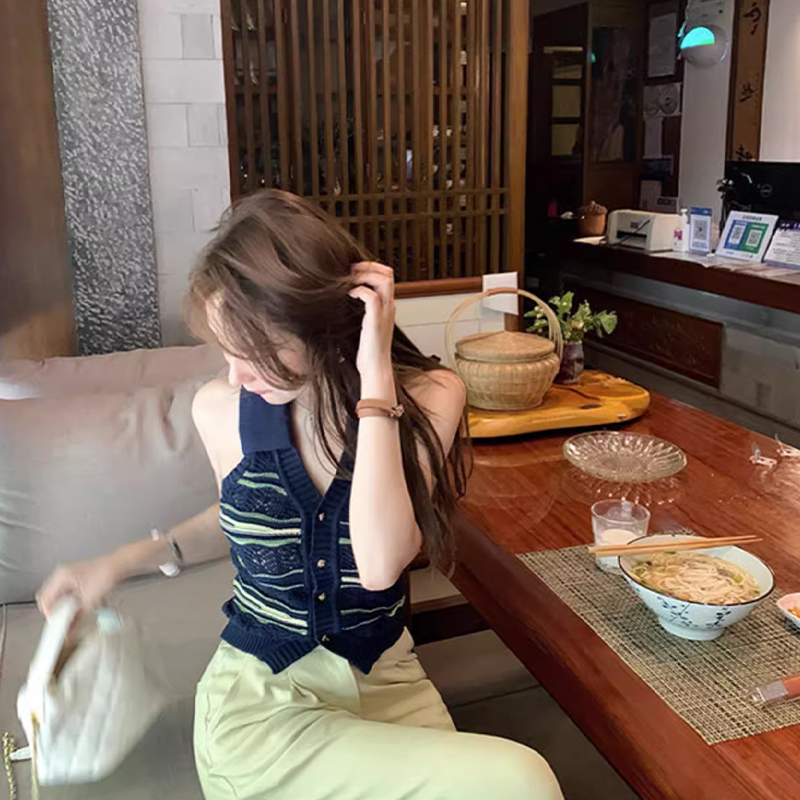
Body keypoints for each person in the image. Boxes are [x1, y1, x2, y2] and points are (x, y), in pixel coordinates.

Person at [37, 190, 563, 800]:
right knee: (522, 780)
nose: (235, 374)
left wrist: (375, 377)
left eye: (254, 353)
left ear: (319, 324)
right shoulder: (220, 409)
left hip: (389, 684)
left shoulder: (431, 395)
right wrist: (122, 560)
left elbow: (379, 562)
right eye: (226, 351)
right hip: (263, 701)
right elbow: (246, 514)